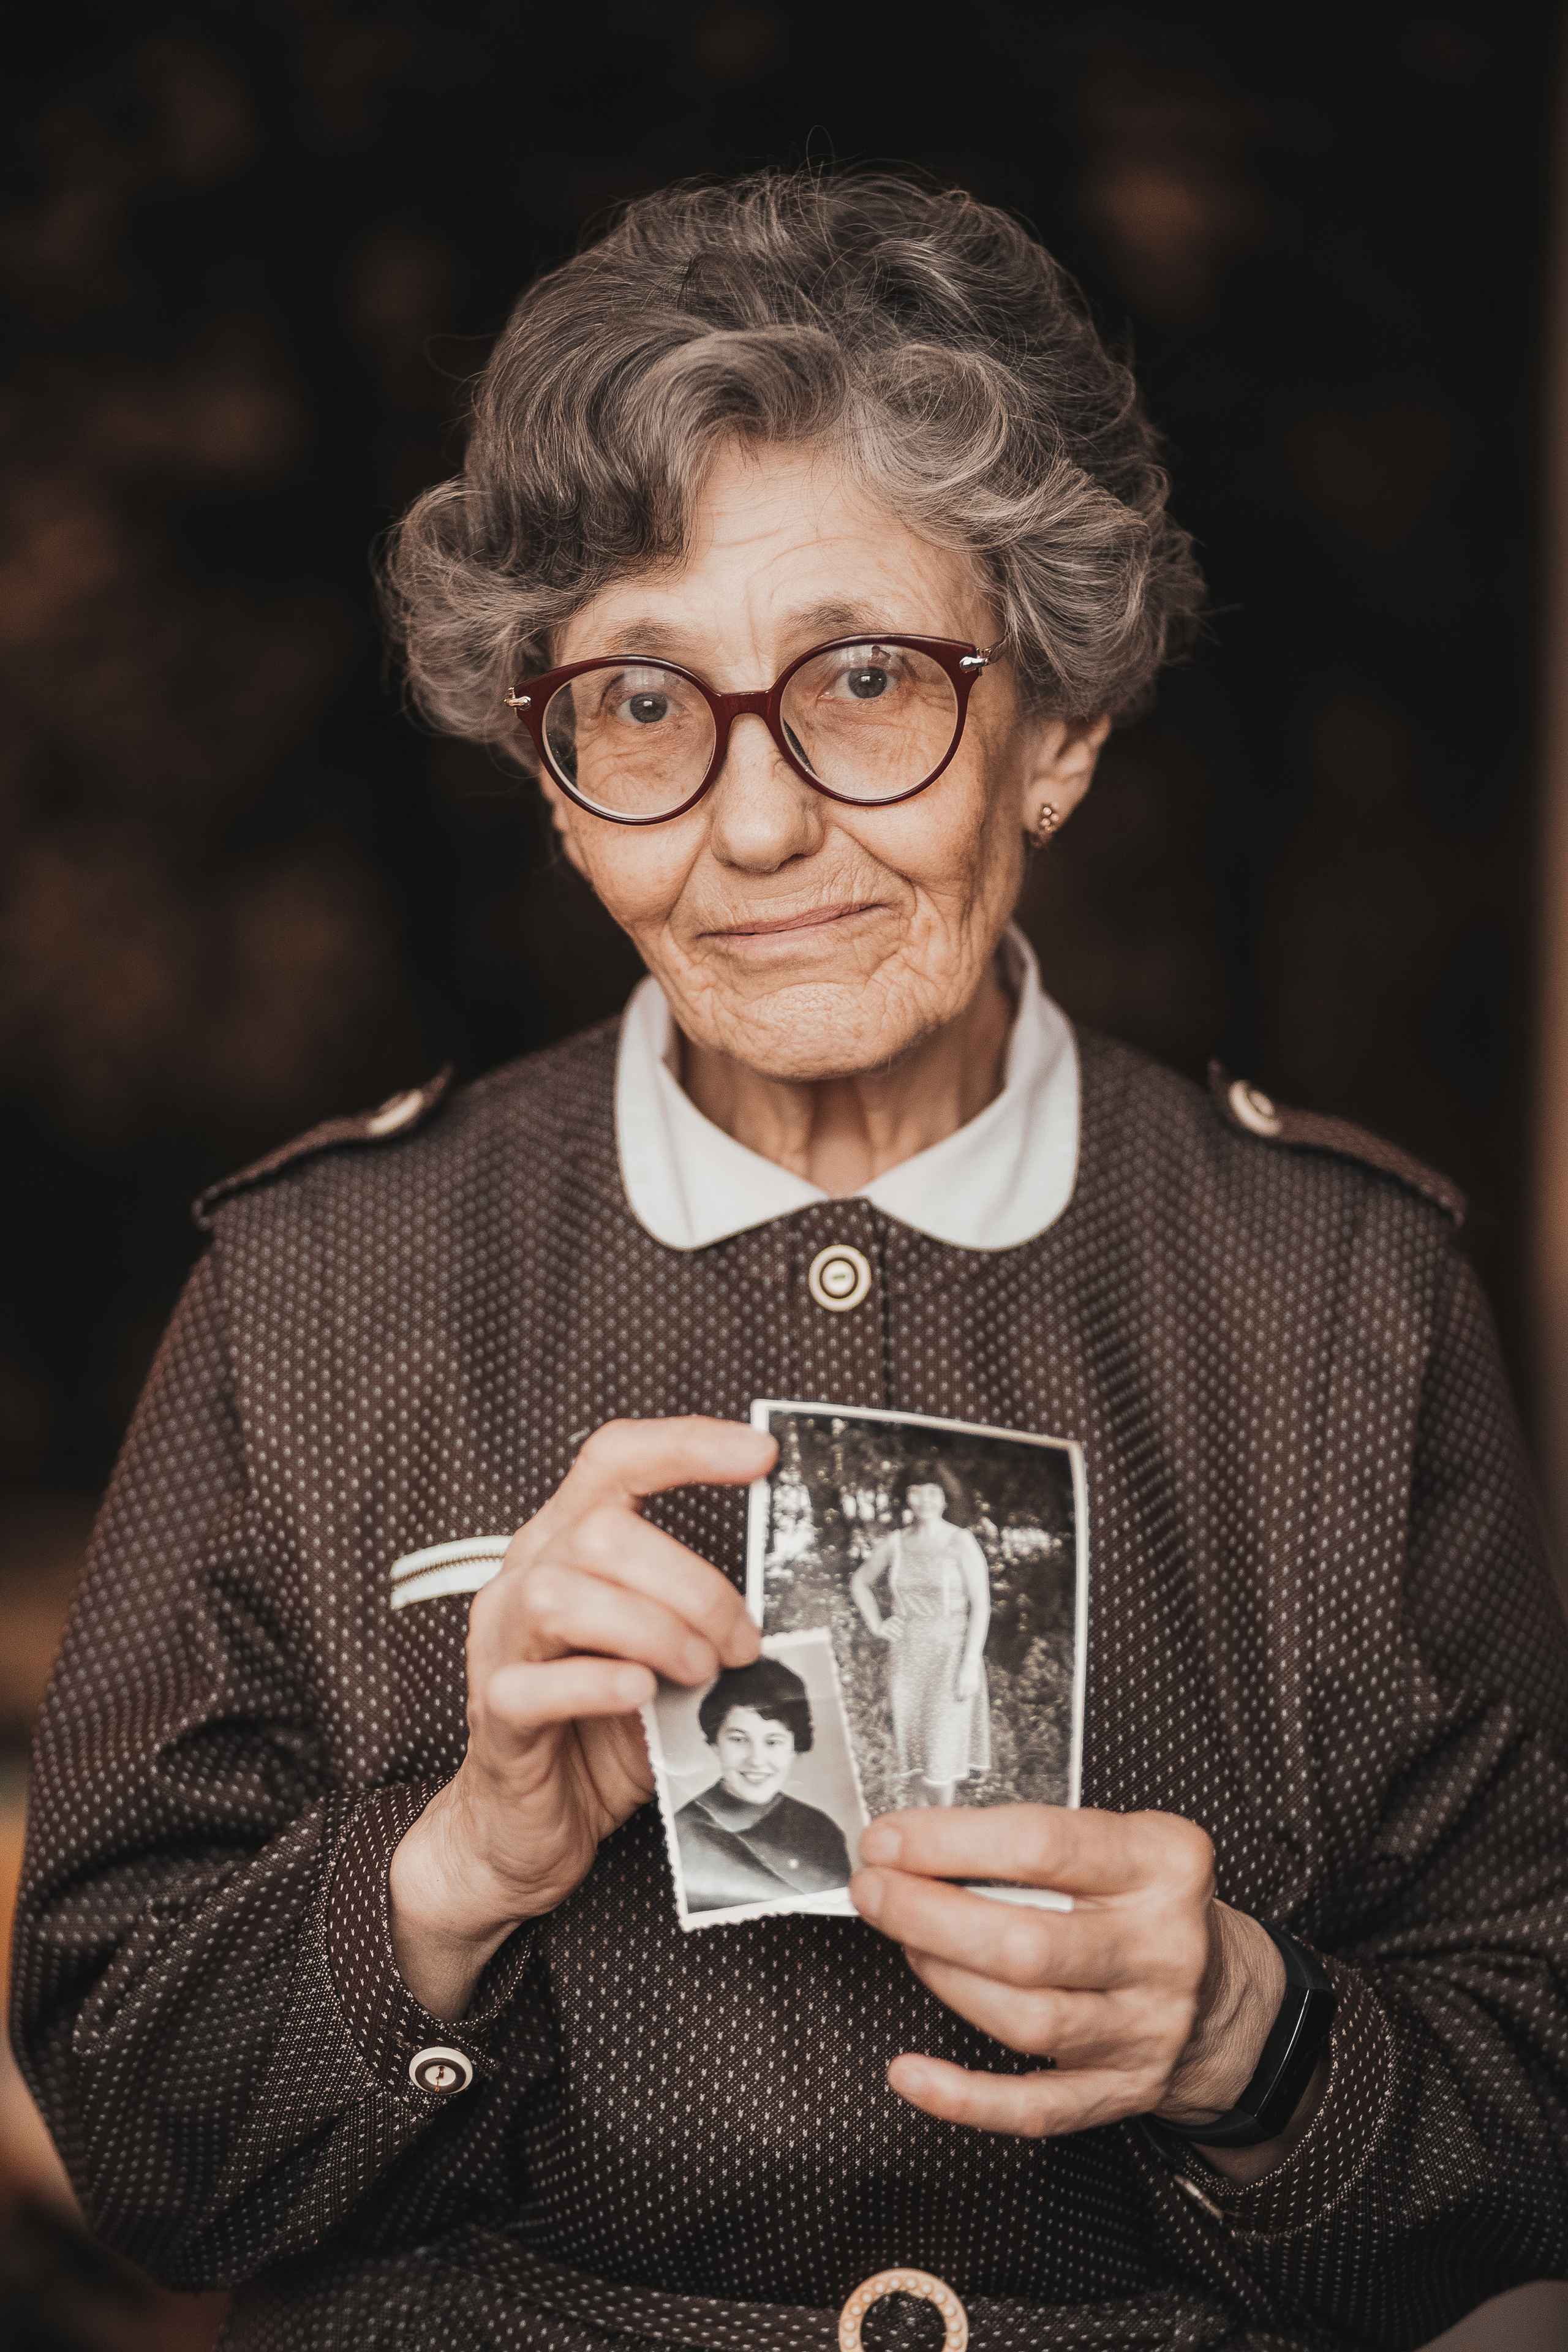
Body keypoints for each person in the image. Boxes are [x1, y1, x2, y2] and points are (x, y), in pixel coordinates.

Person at [12, 169, 1568, 2351]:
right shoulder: (320, 1289)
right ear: (550, 778)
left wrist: (1257, 2033)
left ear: (1058, 726)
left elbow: (1528, 2086)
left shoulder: (1340, 1299)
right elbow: (139, 2136)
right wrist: (453, 1864)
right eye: (642, 706)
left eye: (860, 680)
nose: (751, 826)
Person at [850, 1464, 991, 1804]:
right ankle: (918, 1830)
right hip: (907, 1659)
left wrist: (970, 1663)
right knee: (913, 1758)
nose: (924, 1500)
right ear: (907, 1496)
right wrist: (877, 1624)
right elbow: (859, 1582)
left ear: (945, 1499)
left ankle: (940, 1838)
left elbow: (982, 1605)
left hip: (950, 1659)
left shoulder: (960, 1541)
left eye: (933, 1492)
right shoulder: (896, 1543)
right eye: (916, 1491)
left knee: (940, 1756)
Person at [672, 1657, 852, 1912]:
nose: (756, 1760)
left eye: (773, 1742)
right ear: (715, 1744)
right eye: (738, 1739)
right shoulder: (683, 1836)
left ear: (795, 1748)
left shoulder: (821, 1831)